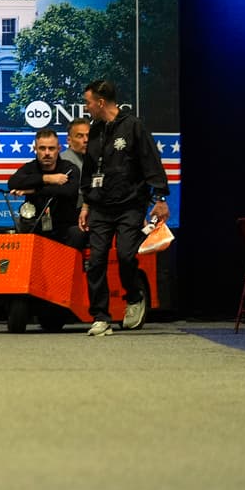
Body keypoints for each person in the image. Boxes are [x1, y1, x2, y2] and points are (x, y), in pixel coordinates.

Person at [78, 79, 169, 337]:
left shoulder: (133, 126)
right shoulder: (94, 130)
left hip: (130, 205)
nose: (86, 108)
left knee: (127, 256)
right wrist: (86, 203)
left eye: (88, 102)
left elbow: (151, 160)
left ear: (101, 102)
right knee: (95, 261)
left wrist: (160, 198)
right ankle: (101, 317)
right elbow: (89, 169)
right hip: (100, 206)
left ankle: (134, 295)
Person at [7, 129, 86, 249]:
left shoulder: (69, 168)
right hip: (36, 225)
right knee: (21, 229)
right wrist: (47, 178)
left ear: (59, 149)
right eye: (42, 148)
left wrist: (34, 190)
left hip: (64, 226)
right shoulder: (30, 168)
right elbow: (13, 183)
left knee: (77, 233)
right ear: (35, 149)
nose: (47, 153)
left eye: (51, 148)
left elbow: (69, 192)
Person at [61, 117, 90, 211]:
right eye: (80, 136)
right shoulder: (62, 162)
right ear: (69, 140)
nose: (86, 140)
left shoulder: (97, 159)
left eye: (88, 135)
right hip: (72, 214)